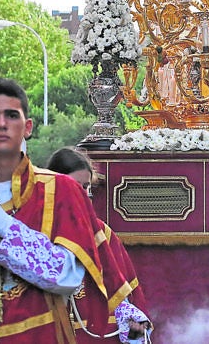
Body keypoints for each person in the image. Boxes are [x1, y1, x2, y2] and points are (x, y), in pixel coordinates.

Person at [0, 78, 141, 343]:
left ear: (28, 127)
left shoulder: (62, 191)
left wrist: (8, 230)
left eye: (11, 115)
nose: (1, 124)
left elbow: (68, 276)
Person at [46, 146, 152, 342]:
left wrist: (133, 324)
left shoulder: (102, 234)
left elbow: (123, 295)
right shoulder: (36, 232)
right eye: (76, 186)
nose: (84, 194)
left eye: (86, 187)